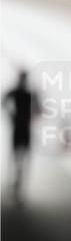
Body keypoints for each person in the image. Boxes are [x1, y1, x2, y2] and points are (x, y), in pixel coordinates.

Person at [2, 70, 41, 198]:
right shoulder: (23, 93)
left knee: (20, 158)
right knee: (17, 158)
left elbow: (39, 109)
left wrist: (13, 115)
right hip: (21, 129)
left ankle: (18, 183)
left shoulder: (24, 93)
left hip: (22, 129)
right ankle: (16, 182)